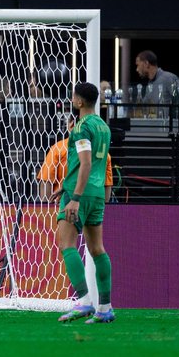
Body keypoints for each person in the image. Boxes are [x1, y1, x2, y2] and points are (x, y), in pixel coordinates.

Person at [55, 82, 115, 324]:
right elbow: (94, 164)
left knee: (66, 244)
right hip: (97, 193)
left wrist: (75, 198)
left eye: (73, 97)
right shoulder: (103, 126)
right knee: (97, 248)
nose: (72, 100)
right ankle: (105, 308)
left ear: (79, 101)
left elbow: (86, 162)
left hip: (78, 194)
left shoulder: (81, 127)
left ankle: (83, 301)